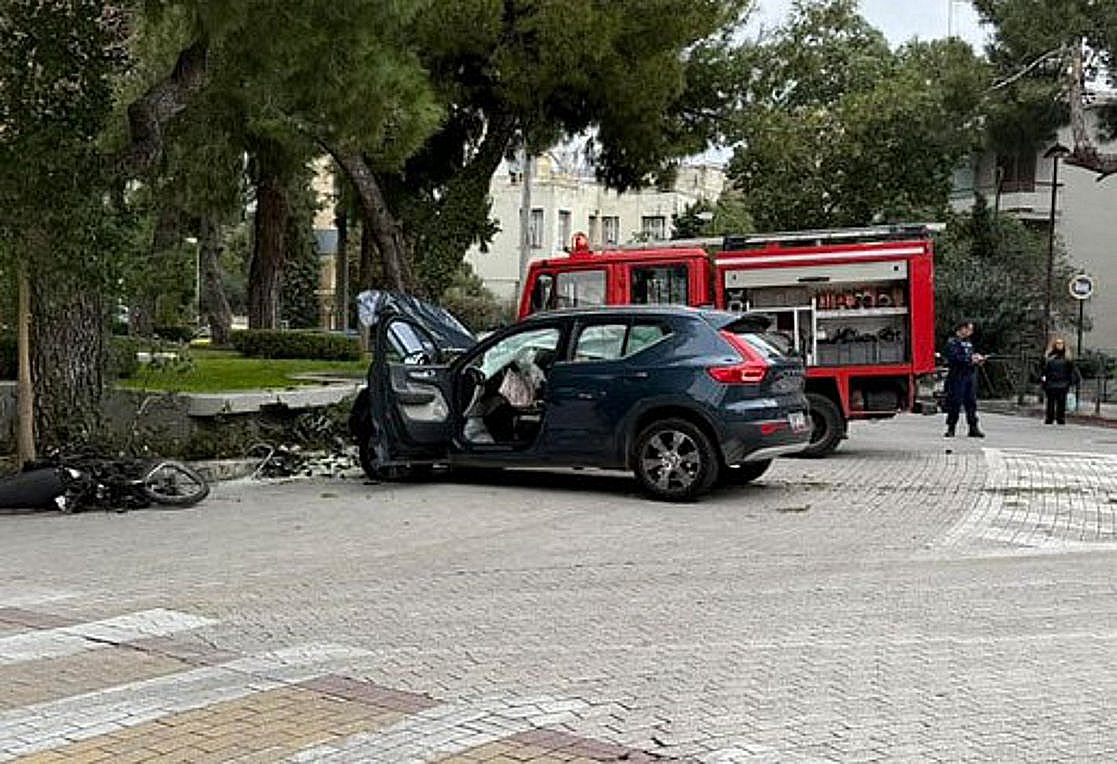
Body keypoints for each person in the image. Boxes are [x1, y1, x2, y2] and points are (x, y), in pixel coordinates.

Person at [943, 320, 985, 438]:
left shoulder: (969, 343)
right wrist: (970, 359)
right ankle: (951, 427)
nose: (971, 332)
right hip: (957, 375)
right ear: (962, 329)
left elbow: (970, 355)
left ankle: (973, 427)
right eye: (969, 329)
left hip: (969, 375)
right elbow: (954, 358)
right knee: (955, 402)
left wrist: (977, 359)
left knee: (971, 402)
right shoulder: (953, 342)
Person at [1041, 337, 1081, 425]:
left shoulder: (1067, 359)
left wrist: (1071, 382)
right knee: (1050, 402)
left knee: (1061, 402)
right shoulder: (1049, 358)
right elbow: (1044, 371)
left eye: (1061, 343)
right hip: (1051, 383)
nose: (1059, 345)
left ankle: (1060, 418)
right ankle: (1050, 418)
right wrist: (1044, 381)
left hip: (1063, 383)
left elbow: (1072, 371)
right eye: (1058, 343)